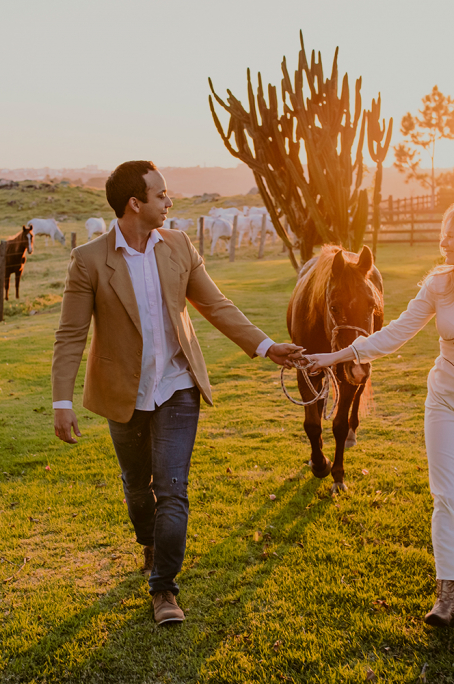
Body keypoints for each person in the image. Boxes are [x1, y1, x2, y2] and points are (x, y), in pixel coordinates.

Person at [51, 160, 304, 626]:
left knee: (171, 490)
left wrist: (268, 348)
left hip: (177, 386)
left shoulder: (180, 246)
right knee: (137, 490)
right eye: (162, 194)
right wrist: (62, 402)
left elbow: (215, 304)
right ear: (136, 203)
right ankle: (148, 542)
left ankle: (164, 588)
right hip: (122, 393)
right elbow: (71, 335)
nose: (169, 202)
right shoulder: (89, 259)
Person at [303, 201, 454, 627]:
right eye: (443, 232)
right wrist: (337, 355)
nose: (443, 240)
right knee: (447, 495)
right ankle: (445, 595)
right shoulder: (439, 284)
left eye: (451, 233)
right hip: (446, 399)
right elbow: (396, 331)